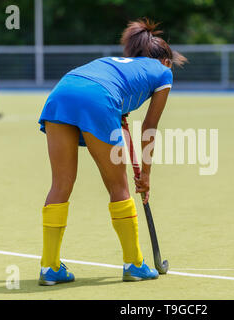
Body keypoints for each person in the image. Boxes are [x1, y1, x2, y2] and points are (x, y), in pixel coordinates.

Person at [37, 18, 187, 285]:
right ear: (165, 60)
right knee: (119, 187)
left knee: (60, 184)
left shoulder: (117, 64)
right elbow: (149, 128)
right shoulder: (163, 72)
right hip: (99, 98)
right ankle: (134, 263)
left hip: (62, 92)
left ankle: (49, 268)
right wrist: (147, 174)